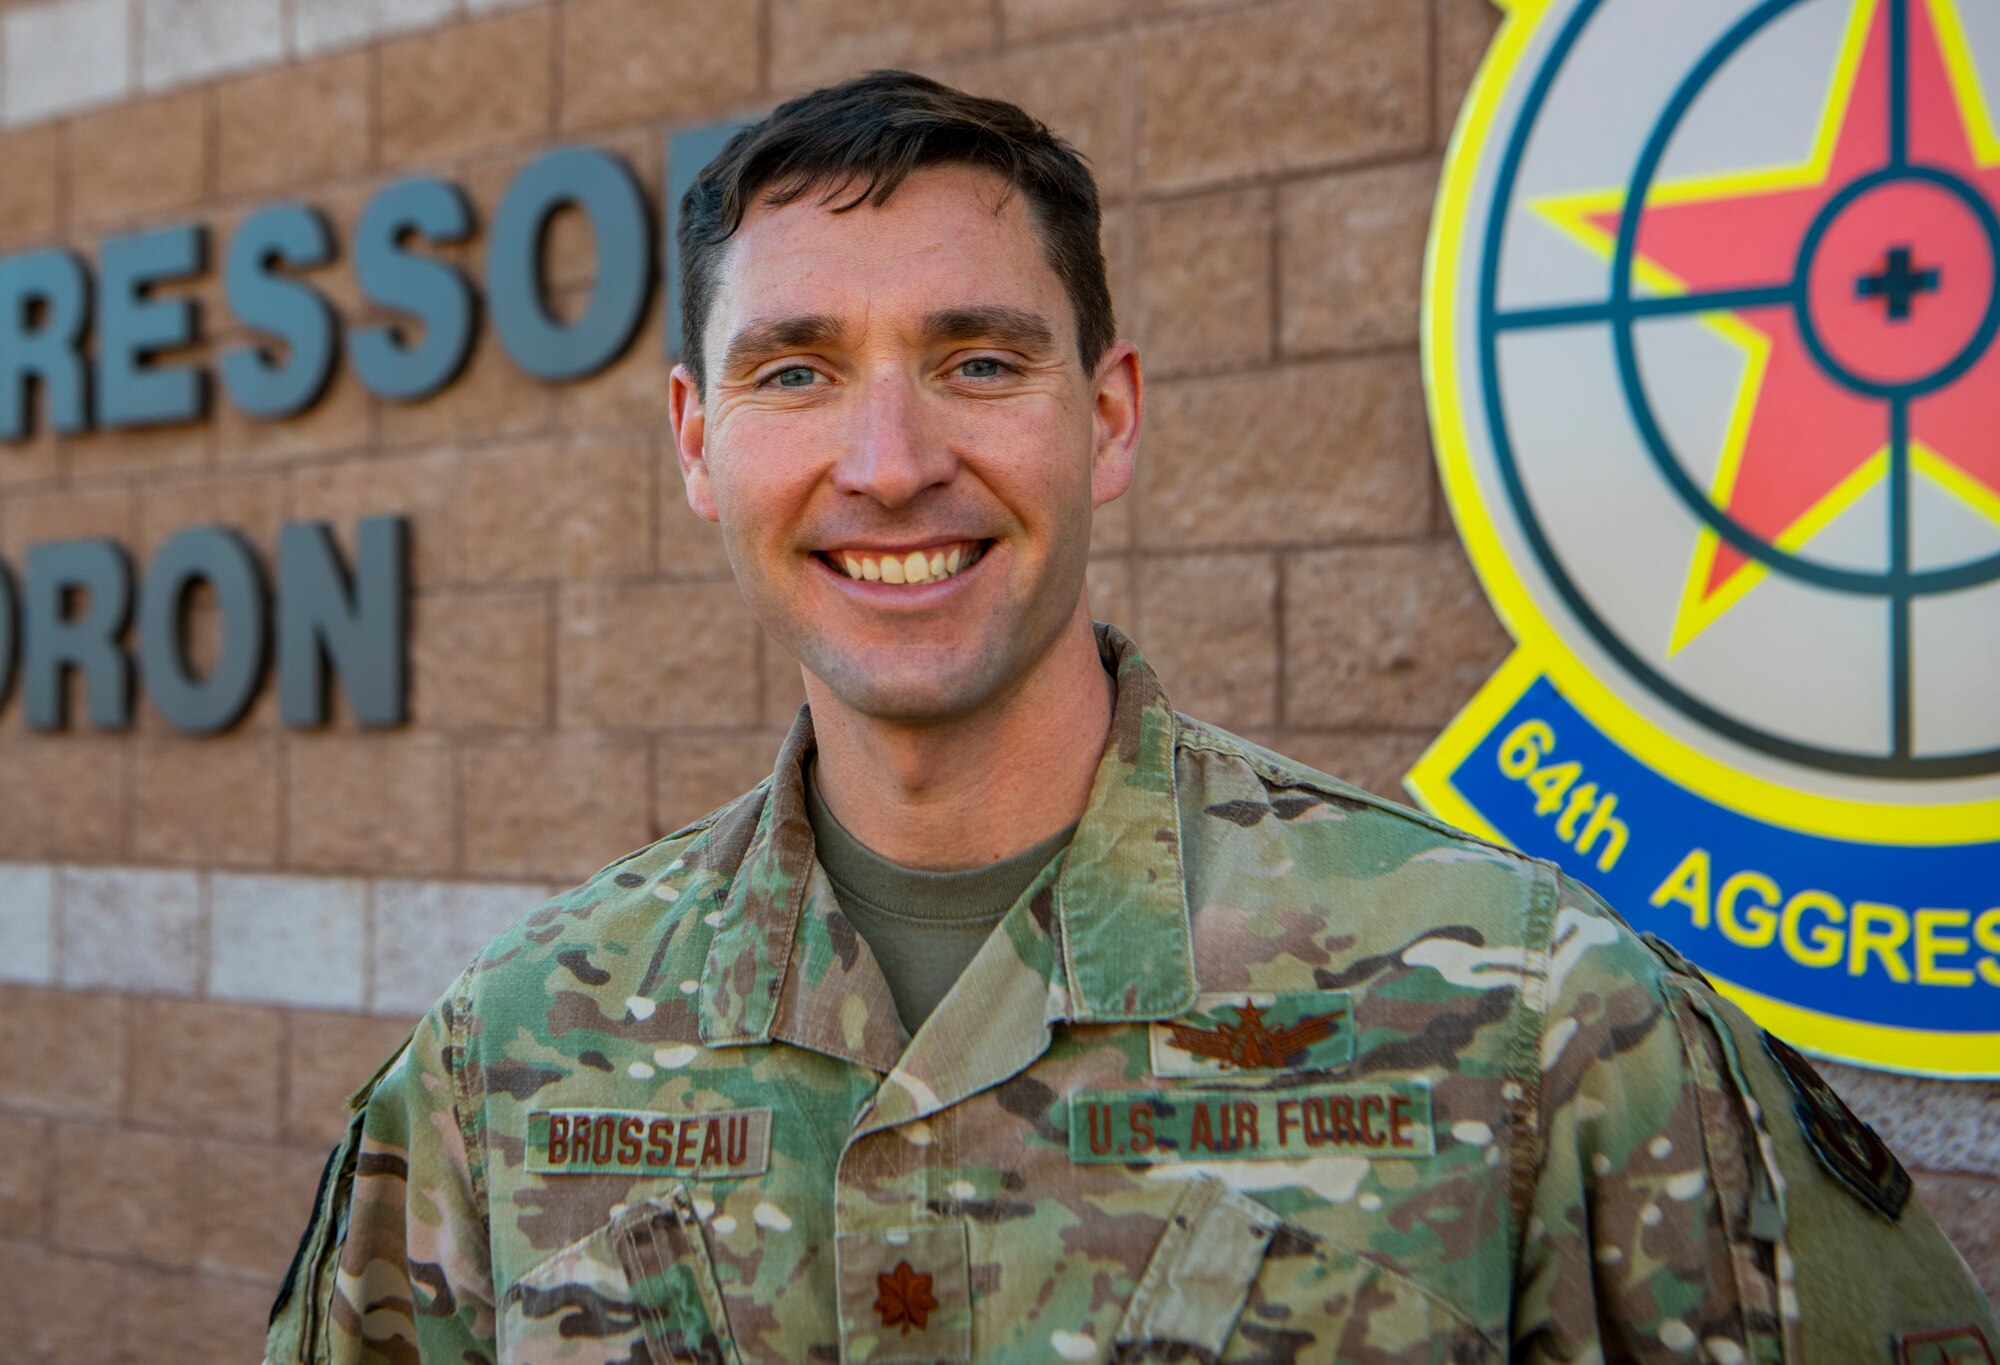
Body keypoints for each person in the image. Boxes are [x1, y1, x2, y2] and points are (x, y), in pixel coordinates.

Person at [265, 70, 1996, 1365]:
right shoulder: (505, 1059)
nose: (890, 462)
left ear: (1107, 419)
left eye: (979, 360)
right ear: (697, 442)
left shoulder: (1530, 1015)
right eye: (796, 370)